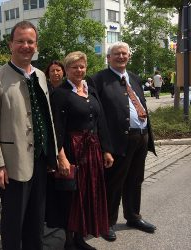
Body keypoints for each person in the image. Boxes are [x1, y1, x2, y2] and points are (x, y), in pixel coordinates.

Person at [0, 21, 58, 250]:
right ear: (10, 45)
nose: (26, 46)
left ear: (36, 45)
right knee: (14, 221)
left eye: (30, 42)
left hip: (41, 158)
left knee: (37, 219)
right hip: (13, 163)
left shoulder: (41, 76)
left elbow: (47, 117)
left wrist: (53, 152)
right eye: (20, 41)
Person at [46, 51, 114, 250]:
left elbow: (100, 122)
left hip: (92, 150)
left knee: (87, 195)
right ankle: (68, 242)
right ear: (66, 70)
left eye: (82, 66)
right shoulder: (60, 94)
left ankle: (79, 238)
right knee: (71, 197)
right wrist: (61, 157)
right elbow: (55, 128)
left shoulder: (90, 89)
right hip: (72, 150)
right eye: (74, 67)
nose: (79, 70)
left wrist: (106, 150)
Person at [91, 41, 157, 242]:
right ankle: (107, 222)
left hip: (141, 137)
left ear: (129, 56)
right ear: (108, 57)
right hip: (118, 140)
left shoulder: (134, 78)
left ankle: (133, 216)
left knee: (135, 180)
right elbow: (97, 116)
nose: (121, 57)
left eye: (124, 54)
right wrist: (104, 146)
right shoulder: (98, 80)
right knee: (114, 183)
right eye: (116, 54)